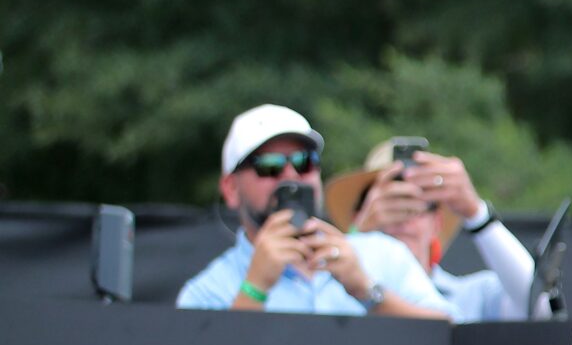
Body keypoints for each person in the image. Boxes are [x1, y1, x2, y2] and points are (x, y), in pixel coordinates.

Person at [176, 104, 449, 319]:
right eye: (269, 166)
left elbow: (448, 340)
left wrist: (366, 290)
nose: (291, 175)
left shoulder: (382, 253)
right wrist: (254, 289)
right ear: (232, 189)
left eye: (304, 162)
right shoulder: (206, 291)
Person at [326, 140, 539, 322]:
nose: (403, 218)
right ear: (359, 217)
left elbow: (539, 305)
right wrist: (360, 239)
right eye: (390, 202)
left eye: (416, 203)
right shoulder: (328, 290)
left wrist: (477, 214)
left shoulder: (475, 294)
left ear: (436, 222)